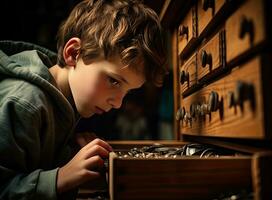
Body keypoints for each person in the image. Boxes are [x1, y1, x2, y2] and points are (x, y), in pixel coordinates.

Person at [0, 0, 167, 199]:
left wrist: (69, 152)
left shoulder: (67, 99)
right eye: (114, 81)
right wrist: (60, 177)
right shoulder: (25, 102)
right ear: (74, 53)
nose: (118, 103)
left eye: (128, 91)